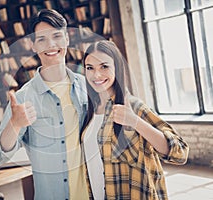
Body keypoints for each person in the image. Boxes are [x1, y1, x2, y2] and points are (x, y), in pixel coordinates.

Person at [0, 9, 89, 200]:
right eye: (42, 39)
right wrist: (15, 124)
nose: (51, 45)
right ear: (33, 45)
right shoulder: (23, 98)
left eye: (57, 36)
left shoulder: (87, 87)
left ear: (67, 39)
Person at [81, 40, 189, 200]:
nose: (96, 75)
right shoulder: (90, 111)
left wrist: (135, 122)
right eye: (90, 68)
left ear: (117, 68)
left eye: (104, 66)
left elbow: (180, 152)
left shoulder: (133, 106)